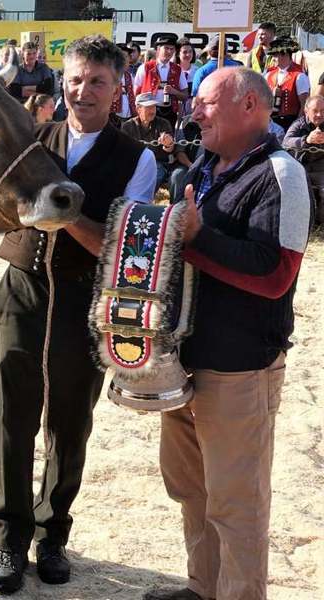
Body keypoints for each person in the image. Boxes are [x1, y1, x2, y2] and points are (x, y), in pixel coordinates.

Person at [0, 34, 157, 595]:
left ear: (117, 88)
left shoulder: (139, 156)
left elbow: (123, 243)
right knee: (12, 415)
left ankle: (52, 533)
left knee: (70, 421)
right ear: (64, 81)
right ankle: (10, 538)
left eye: (98, 82)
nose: (84, 90)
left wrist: (63, 220)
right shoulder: (32, 138)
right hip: (24, 288)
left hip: (88, 300)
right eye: (78, 79)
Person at [142, 67, 312, 600]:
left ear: (250, 107)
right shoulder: (208, 168)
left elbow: (274, 273)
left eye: (208, 102)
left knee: (237, 504)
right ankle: (202, 588)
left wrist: (196, 238)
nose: (195, 110)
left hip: (240, 368)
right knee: (193, 491)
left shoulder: (282, 174)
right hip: (186, 361)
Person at [282, 95, 324, 223]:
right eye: (315, 111)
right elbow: (286, 141)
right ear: (306, 111)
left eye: (323, 111)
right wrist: (306, 140)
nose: (319, 114)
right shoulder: (299, 125)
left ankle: (320, 223)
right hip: (302, 169)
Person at [121, 92, 176, 188]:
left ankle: (142, 201)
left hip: (158, 163)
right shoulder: (128, 126)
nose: (152, 111)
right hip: (135, 163)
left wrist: (168, 143)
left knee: (153, 175)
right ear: (138, 109)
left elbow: (170, 150)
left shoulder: (163, 123)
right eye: (148, 107)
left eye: (154, 107)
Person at [134, 34, 188, 126]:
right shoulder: (145, 68)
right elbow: (136, 92)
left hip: (170, 112)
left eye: (172, 49)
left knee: (167, 138)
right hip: (148, 111)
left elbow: (185, 95)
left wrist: (174, 91)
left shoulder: (178, 69)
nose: (169, 51)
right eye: (166, 48)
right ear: (158, 50)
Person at [264, 37, 310, 131]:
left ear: (284, 55)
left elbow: (304, 105)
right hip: (270, 122)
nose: (272, 59)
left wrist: (296, 127)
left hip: (290, 122)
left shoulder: (300, 77)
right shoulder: (268, 75)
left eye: (275, 56)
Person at [190, 34, 242, 98]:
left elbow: (196, 96)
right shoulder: (238, 68)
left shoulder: (201, 71)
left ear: (209, 51)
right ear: (226, 51)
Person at [112, 43, 136, 124]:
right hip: (112, 116)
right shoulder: (108, 75)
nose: (124, 60)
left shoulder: (129, 76)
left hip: (128, 117)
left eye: (126, 57)